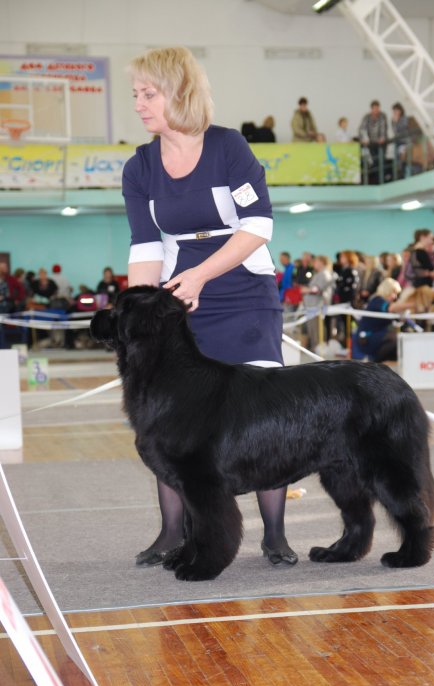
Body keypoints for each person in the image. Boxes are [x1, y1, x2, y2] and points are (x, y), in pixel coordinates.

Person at [122, 46, 296, 568]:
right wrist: (139, 321)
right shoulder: (140, 166)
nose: (139, 104)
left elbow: (258, 225)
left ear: (179, 92)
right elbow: (145, 247)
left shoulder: (227, 146)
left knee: (263, 411)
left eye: (148, 94)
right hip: (179, 297)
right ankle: (171, 532)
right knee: (171, 415)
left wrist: (200, 275)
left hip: (244, 290)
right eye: (136, 94)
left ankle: (275, 534)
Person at [352, 278, 415, 362]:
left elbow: (398, 319)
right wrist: (414, 304)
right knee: (395, 339)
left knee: (398, 341)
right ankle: (373, 363)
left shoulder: (382, 302)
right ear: (387, 290)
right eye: (394, 293)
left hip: (375, 336)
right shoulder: (377, 300)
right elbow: (391, 308)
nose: (395, 297)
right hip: (366, 338)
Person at [301, 254, 335, 351]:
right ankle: (314, 349)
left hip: (317, 306)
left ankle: (318, 350)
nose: (314, 263)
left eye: (316, 261)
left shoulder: (324, 274)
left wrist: (306, 290)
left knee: (316, 330)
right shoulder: (319, 274)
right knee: (312, 330)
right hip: (311, 306)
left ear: (322, 262)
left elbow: (318, 289)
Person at [358, 100, 388, 182]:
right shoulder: (366, 117)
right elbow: (362, 129)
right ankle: (375, 180)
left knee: (381, 160)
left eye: (377, 108)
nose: (376, 110)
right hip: (370, 143)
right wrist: (364, 139)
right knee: (373, 161)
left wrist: (382, 137)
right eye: (374, 108)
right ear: (371, 109)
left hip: (380, 144)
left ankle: (382, 179)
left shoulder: (382, 116)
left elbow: (383, 128)